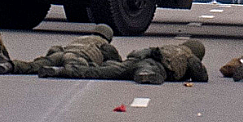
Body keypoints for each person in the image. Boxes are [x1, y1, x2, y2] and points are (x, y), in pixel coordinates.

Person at [42, 39, 209, 84]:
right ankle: (145, 76)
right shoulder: (188, 56)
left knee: (101, 72)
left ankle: (60, 71)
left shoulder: (168, 47)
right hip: (153, 66)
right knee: (151, 72)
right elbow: (200, 75)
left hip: (135, 60)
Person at [21, 24, 121, 76]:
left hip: (62, 54)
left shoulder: (82, 38)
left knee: (33, 66)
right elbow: (117, 62)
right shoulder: (104, 43)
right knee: (77, 70)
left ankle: (10, 66)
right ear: (109, 37)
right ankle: (56, 71)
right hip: (79, 57)